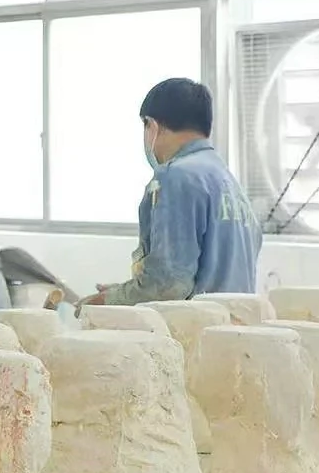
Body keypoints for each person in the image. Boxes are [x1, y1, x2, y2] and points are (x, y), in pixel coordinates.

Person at [86, 77, 261, 306]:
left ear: (152, 125)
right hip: (236, 324)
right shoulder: (230, 183)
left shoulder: (175, 177)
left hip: (194, 326)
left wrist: (107, 302)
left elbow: (167, 285)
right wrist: (125, 291)